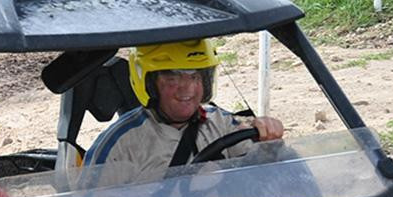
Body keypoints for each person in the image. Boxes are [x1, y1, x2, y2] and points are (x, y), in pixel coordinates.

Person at [82, 39, 284, 182]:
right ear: (150, 84)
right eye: (173, 78)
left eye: (195, 77)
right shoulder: (119, 144)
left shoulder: (222, 124)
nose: (188, 89)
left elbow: (268, 173)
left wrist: (268, 141)